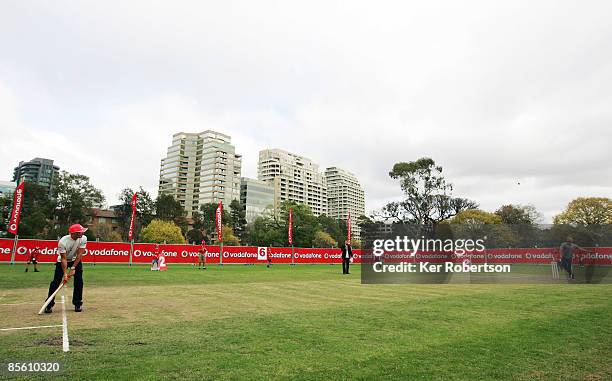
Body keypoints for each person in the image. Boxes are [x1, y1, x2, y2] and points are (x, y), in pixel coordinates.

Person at [44, 224, 87, 313]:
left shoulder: (83, 238)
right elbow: (63, 259)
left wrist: (73, 267)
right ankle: (49, 304)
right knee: (56, 282)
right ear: (73, 233)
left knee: (79, 281)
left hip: (76, 260)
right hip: (62, 261)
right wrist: (65, 274)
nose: (82, 233)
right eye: (80, 232)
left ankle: (77, 303)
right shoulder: (63, 242)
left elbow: (79, 255)